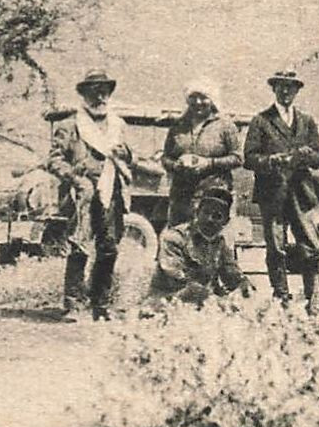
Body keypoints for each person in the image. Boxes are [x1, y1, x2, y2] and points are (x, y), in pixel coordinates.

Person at [46, 69, 134, 321]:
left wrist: (125, 153)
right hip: (81, 193)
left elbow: (128, 156)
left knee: (109, 249)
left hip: (111, 191)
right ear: (84, 95)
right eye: (94, 92)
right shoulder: (69, 125)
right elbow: (54, 160)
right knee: (79, 247)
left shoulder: (118, 125)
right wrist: (74, 177)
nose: (100, 97)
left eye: (104, 92)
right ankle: (73, 305)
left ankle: (100, 305)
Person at [243, 68, 319, 309]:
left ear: (298, 90)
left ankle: (313, 298)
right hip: (272, 193)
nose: (286, 90)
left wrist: (309, 155)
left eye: (291, 86)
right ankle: (282, 297)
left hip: (300, 193)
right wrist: (272, 161)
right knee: (276, 247)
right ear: (274, 88)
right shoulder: (261, 120)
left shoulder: (307, 121)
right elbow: (249, 157)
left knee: (309, 244)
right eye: (281, 85)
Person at [147, 184, 251, 307]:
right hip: (167, 300)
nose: (210, 219)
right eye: (206, 212)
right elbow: (177, 278)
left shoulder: (221, 243)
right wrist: (216, 300)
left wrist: (243, 284)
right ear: (196, 212)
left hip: (199, 302)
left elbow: (231, 273)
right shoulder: (175, 237)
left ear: (225, 221)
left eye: (217, 216)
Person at [161, 78, 242, 227]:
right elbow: (165, 158)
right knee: (181, 240)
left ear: (212, 100)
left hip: (215, 196)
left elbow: (238, 158)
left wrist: (209, 163)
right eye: (193, 97)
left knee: (212, 241)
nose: (198, 102)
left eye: (203, 97)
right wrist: (176, 165)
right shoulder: (178, 126)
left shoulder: (225, 126)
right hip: (182, 199)